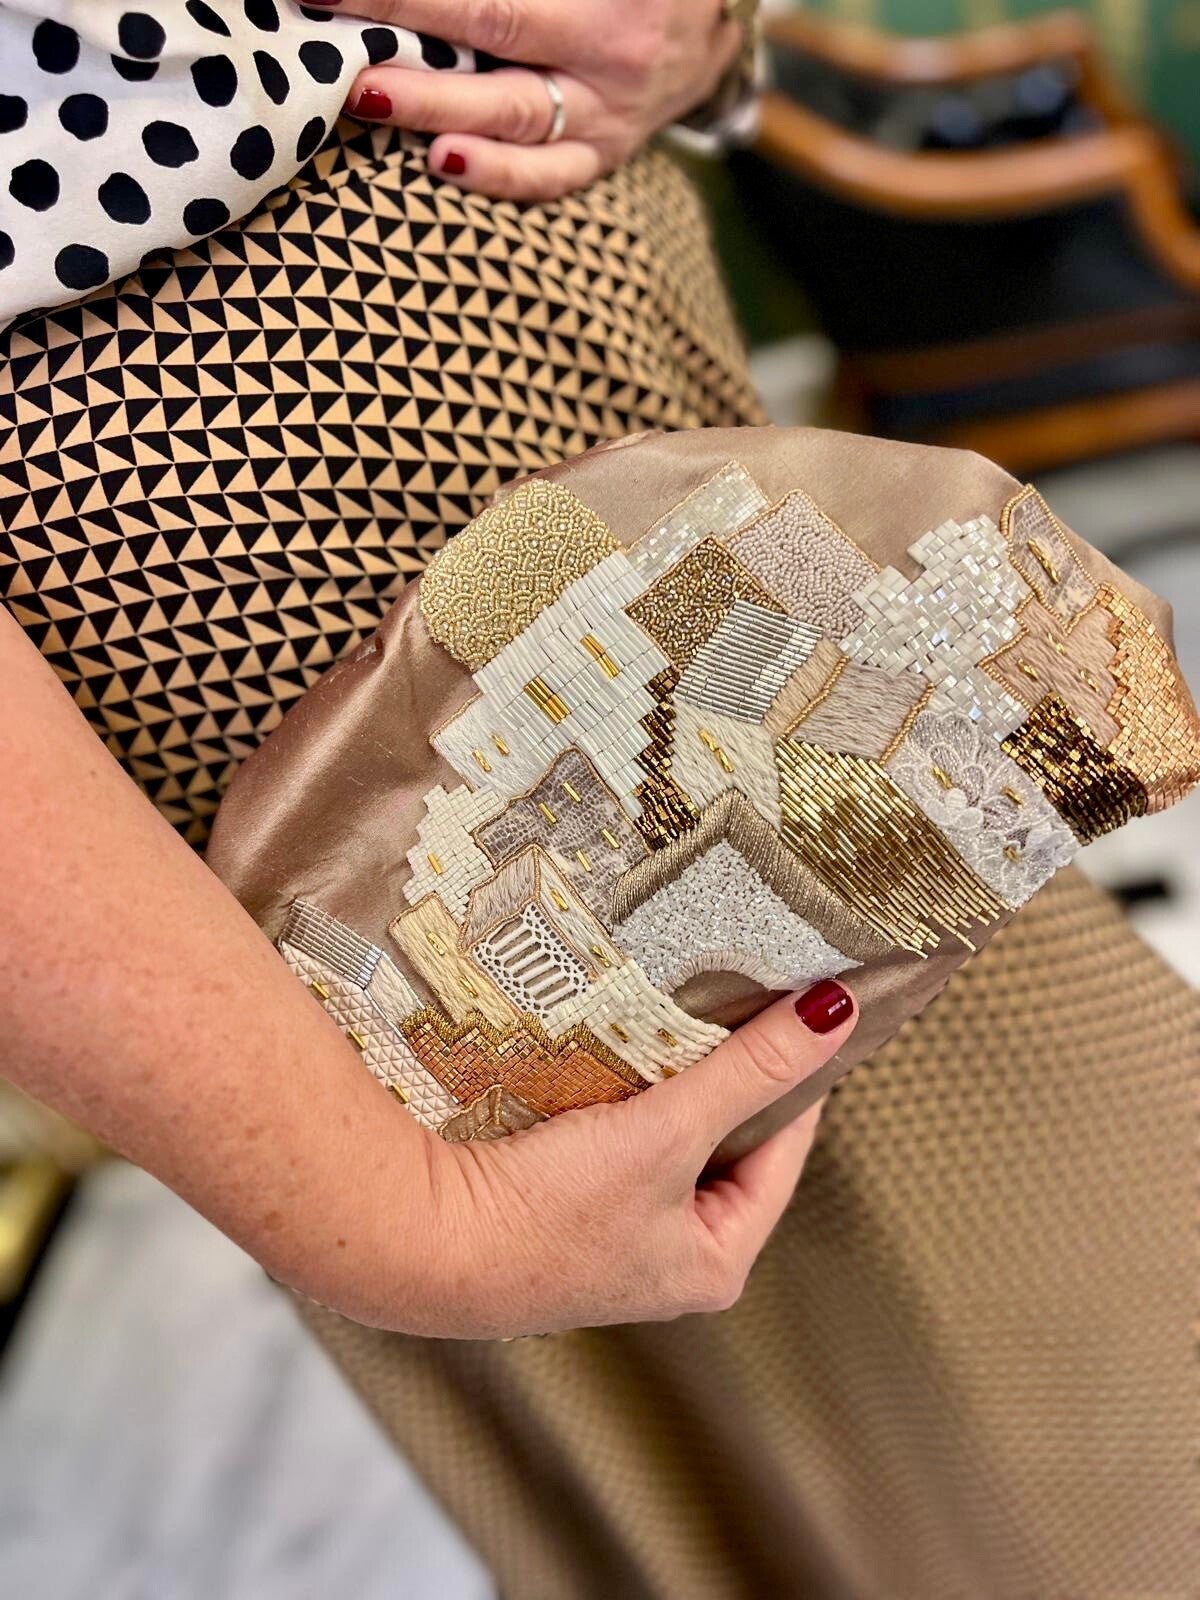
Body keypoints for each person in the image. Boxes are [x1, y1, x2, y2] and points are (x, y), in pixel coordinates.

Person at [2, 4, 1194, 1595]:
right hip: (215, 522)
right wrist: (399, 1214)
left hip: (561, 267)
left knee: (1061, 1291)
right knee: (889, 1413)